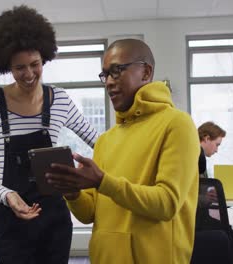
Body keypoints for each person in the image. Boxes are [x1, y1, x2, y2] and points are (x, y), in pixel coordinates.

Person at [46, 39, 200, 263]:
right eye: (105, 75)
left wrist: (102, 182)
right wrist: (72, 192)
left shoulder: (177, 124)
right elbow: (89, 214)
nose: (108, 82)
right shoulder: (106, 140)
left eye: (116, 71)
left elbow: (167, 204)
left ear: (146, 72)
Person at [0, 5, 98, 264]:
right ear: (6, 66)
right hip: (10, 221)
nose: (28, 74)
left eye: (35, 64)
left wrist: (89, 174)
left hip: (54, 221)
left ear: (44, 58)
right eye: (19, 68)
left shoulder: (58, 99)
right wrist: (6, 195)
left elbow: (100, 142)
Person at [195, 121, 233, 260]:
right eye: (217, 144)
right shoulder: (193, 159)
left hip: (199, 220)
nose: (217, 150)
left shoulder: (198, 161)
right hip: (196, 223)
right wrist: (206, 199)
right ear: (206, 138)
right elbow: (187, 196)